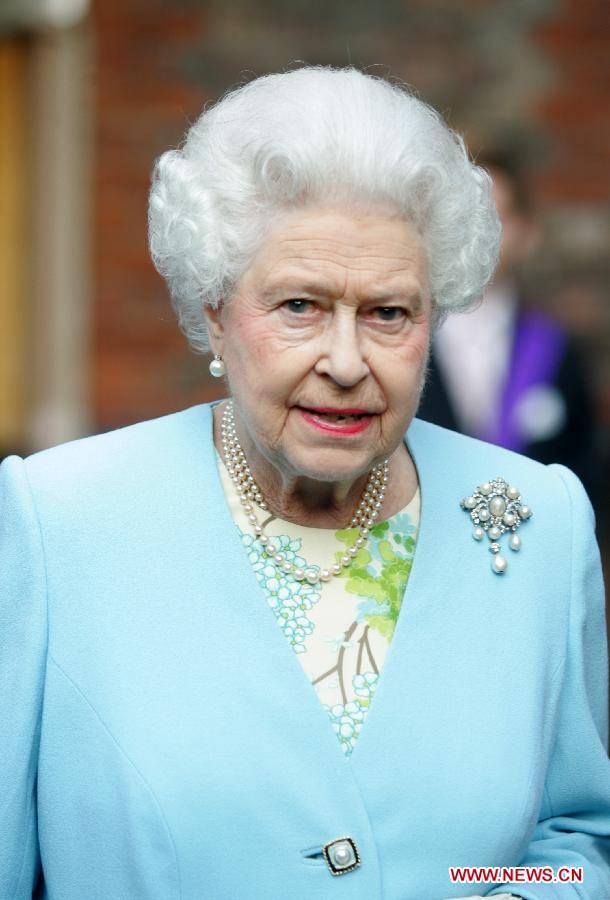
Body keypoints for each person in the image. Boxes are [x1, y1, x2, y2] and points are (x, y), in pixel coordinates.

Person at [1, 66, 609, 900]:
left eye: (389, 313)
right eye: (299, 306)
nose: (348, 362)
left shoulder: (538, 522)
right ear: (215, 308)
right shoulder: (55, 520)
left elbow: (575, 838)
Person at [416, 150, 600, 501]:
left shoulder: (558, 348)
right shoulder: (406, 334)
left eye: (496, 216)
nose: (480, 231)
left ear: (528, 233)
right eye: (467, 215)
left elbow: (585, 471)